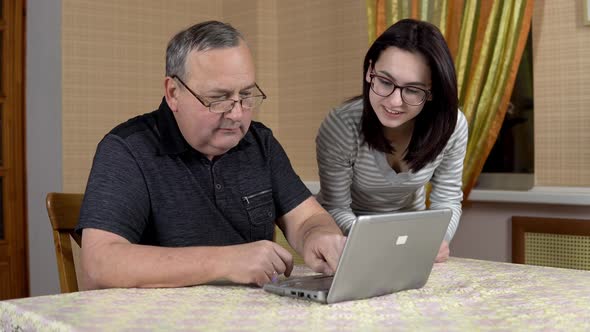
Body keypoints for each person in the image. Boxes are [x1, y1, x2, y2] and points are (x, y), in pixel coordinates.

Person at [76, 21, 346, 290]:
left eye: (247, 95)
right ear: (173, 93)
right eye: (219, 98)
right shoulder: (127, 149)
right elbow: (100, 264)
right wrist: (227, 261)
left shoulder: (259, 142)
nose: (237, 114)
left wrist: (318, 236)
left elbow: (308, 218)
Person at [315, 19, 468, 263]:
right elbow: (336, 207)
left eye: (413, 90)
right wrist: (382, 244)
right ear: (369, 71)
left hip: (411, 237)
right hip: (349, 239)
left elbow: (447, 198)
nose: (395, 102)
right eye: (385, 82)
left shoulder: (452, 126)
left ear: (433, 92)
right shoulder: (342, 124)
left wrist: (437, 239)